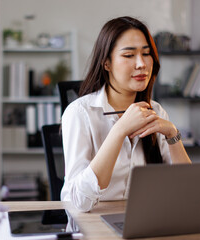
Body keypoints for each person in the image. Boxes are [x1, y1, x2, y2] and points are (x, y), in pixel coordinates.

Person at [60, 16, 191, 212]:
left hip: (146, 218)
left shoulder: (155, 111)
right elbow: (80, 201)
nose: (141, 64)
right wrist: (119, 130)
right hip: (92, 222)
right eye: (129, 55)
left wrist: (173, 134)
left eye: (146, 54)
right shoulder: (80, 113)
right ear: (106, 63)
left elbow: (187, 189)